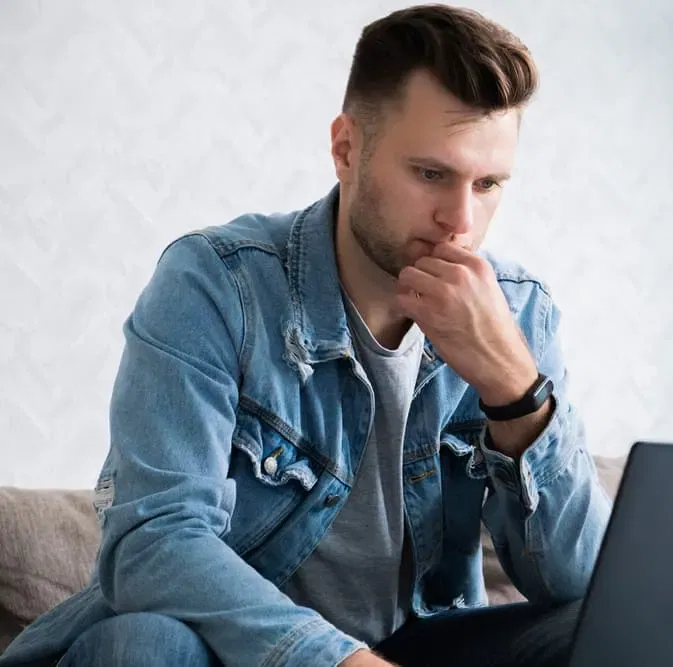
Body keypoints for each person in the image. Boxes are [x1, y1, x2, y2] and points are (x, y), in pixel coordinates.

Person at [0, 4, 611, 666]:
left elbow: (580, 586)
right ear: (347, 148)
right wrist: (334, 659)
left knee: (597, 629)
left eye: (487, 183)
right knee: (146, 642)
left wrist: (516, 391)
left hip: (422, 641)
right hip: (232, 650)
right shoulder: (216, 286)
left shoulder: (518, 311)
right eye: (431, 174)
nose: (460, 219)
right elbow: (155, 541)